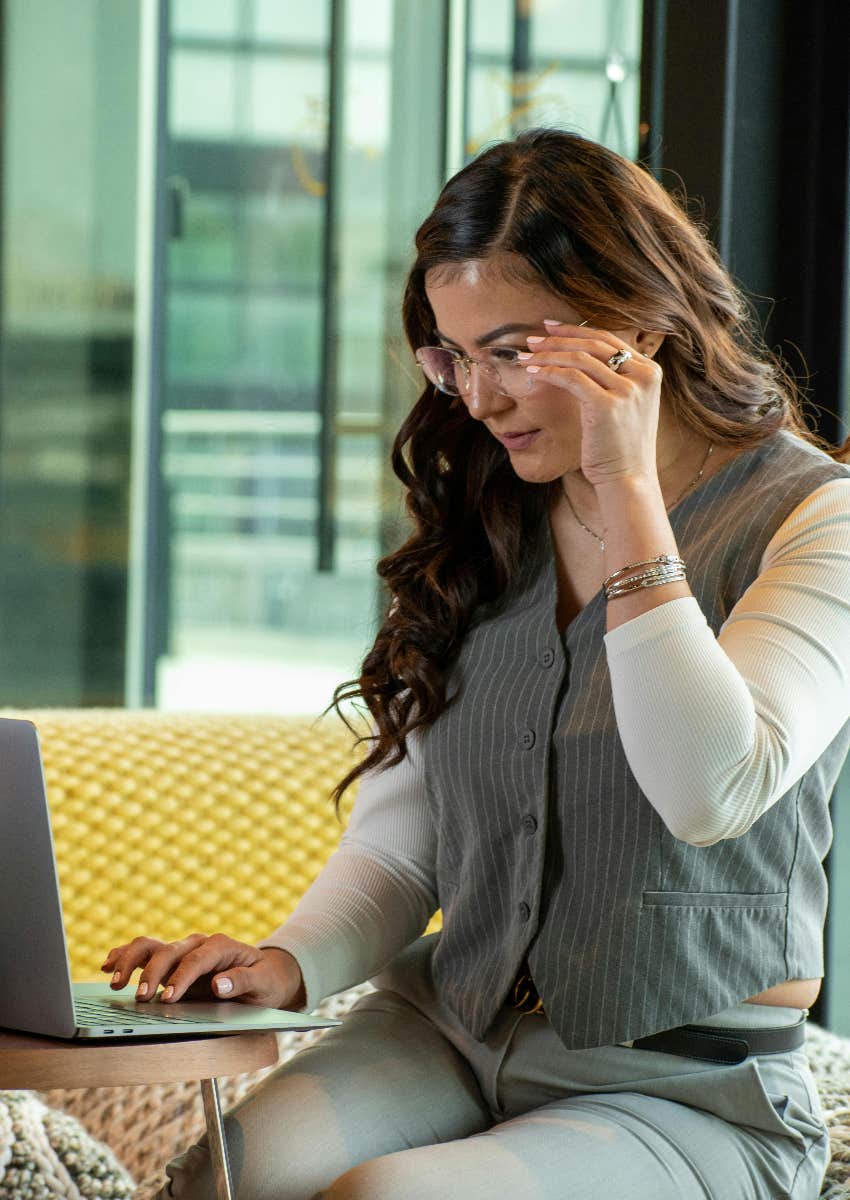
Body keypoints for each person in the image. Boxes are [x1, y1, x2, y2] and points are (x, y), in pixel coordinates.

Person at [103, 128, 850, 1199]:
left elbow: (709, 788)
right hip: (448, 1030)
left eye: (509, 352)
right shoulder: (493, 514)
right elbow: (415, 836)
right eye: (451, 356)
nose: (476, 400)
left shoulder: (812, 519)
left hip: (685, 1089)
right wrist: (287, 961)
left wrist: (627, 491)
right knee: (233, 1176)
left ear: (633, 328)